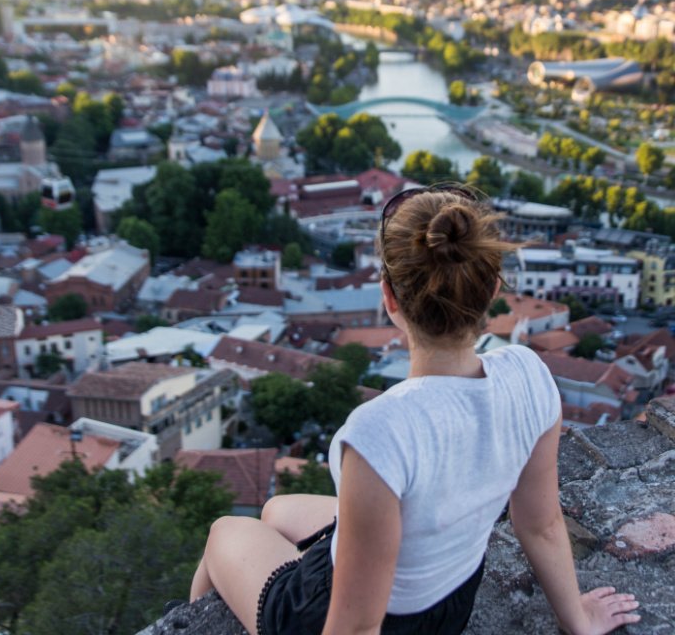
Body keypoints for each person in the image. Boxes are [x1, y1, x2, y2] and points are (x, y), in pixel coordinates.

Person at [190, 185, 641, 635]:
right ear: (492, 292)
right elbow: (540, 525)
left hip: (351, 617)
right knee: (276, 511)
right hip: (450, 602)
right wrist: (578, 621)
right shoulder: (530, 375)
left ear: (389, 298)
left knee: (224, 531)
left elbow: (354, 629)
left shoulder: (379, 433)